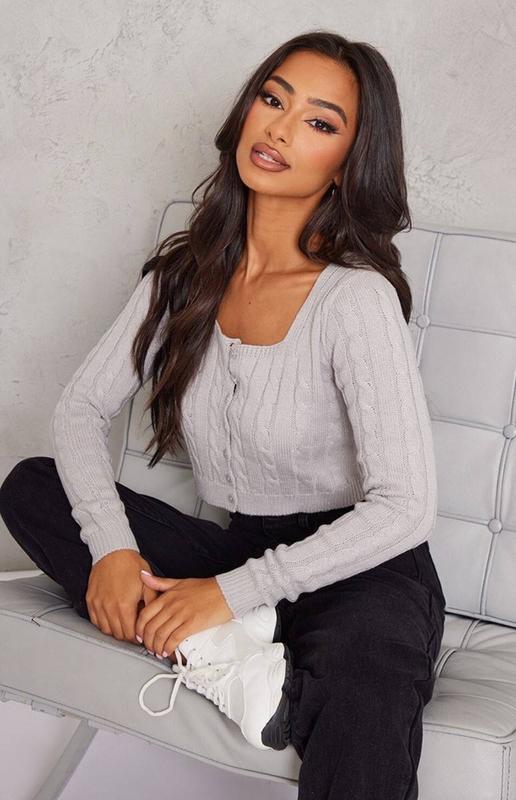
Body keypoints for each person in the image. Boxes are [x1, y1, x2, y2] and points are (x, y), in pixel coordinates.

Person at [0, 30, 446, 797]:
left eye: (319, 121)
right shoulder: (182, 278)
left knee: (364, 678)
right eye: (273, 99)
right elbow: (79, 411)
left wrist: (230, 595)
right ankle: (235, 656)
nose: (279, 128)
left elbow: (405, 507)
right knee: (31, 487)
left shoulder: (355, 299)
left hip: (362, 568)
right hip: (240, 547)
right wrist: (112, 548)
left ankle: (242, 647)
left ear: (347, 164)